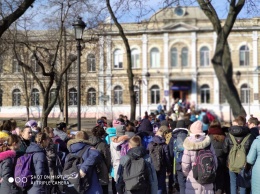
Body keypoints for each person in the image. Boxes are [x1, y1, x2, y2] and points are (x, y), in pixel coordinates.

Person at [182, 120, 218, 194]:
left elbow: (185, 165)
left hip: (193, 177)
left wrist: (189, 174)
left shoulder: (189, 144)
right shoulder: (208, 143)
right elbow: (215, 162)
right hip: (207, 177)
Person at [223, 116, 254, 194]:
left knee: (233, 183)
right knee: (242, 184)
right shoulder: (249, 136)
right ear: (244, 124)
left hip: (231, 163)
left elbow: (224, 149)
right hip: (244, 164)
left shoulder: (229, 135)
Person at [148, 125, 171, 194]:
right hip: (162, 166)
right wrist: (169, 168)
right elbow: (167, 157)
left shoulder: (151, 141)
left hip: (152, 165)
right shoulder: (164, 144)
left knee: (155, 184)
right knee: (160, 185)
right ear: (165, 133)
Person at [88, 126, 111, 194]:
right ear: (102, 134)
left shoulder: (87, 143)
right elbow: (107, 158)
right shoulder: (103, 145)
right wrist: (107, 168)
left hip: (90, 168)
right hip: (102, 168)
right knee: (104, 188)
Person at [208, 120, 228, 194]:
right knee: (220, 181)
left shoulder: (208, 137)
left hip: (211, 162)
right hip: (222, 161)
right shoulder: (224, 136)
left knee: (212, 181)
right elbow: (226, 150)